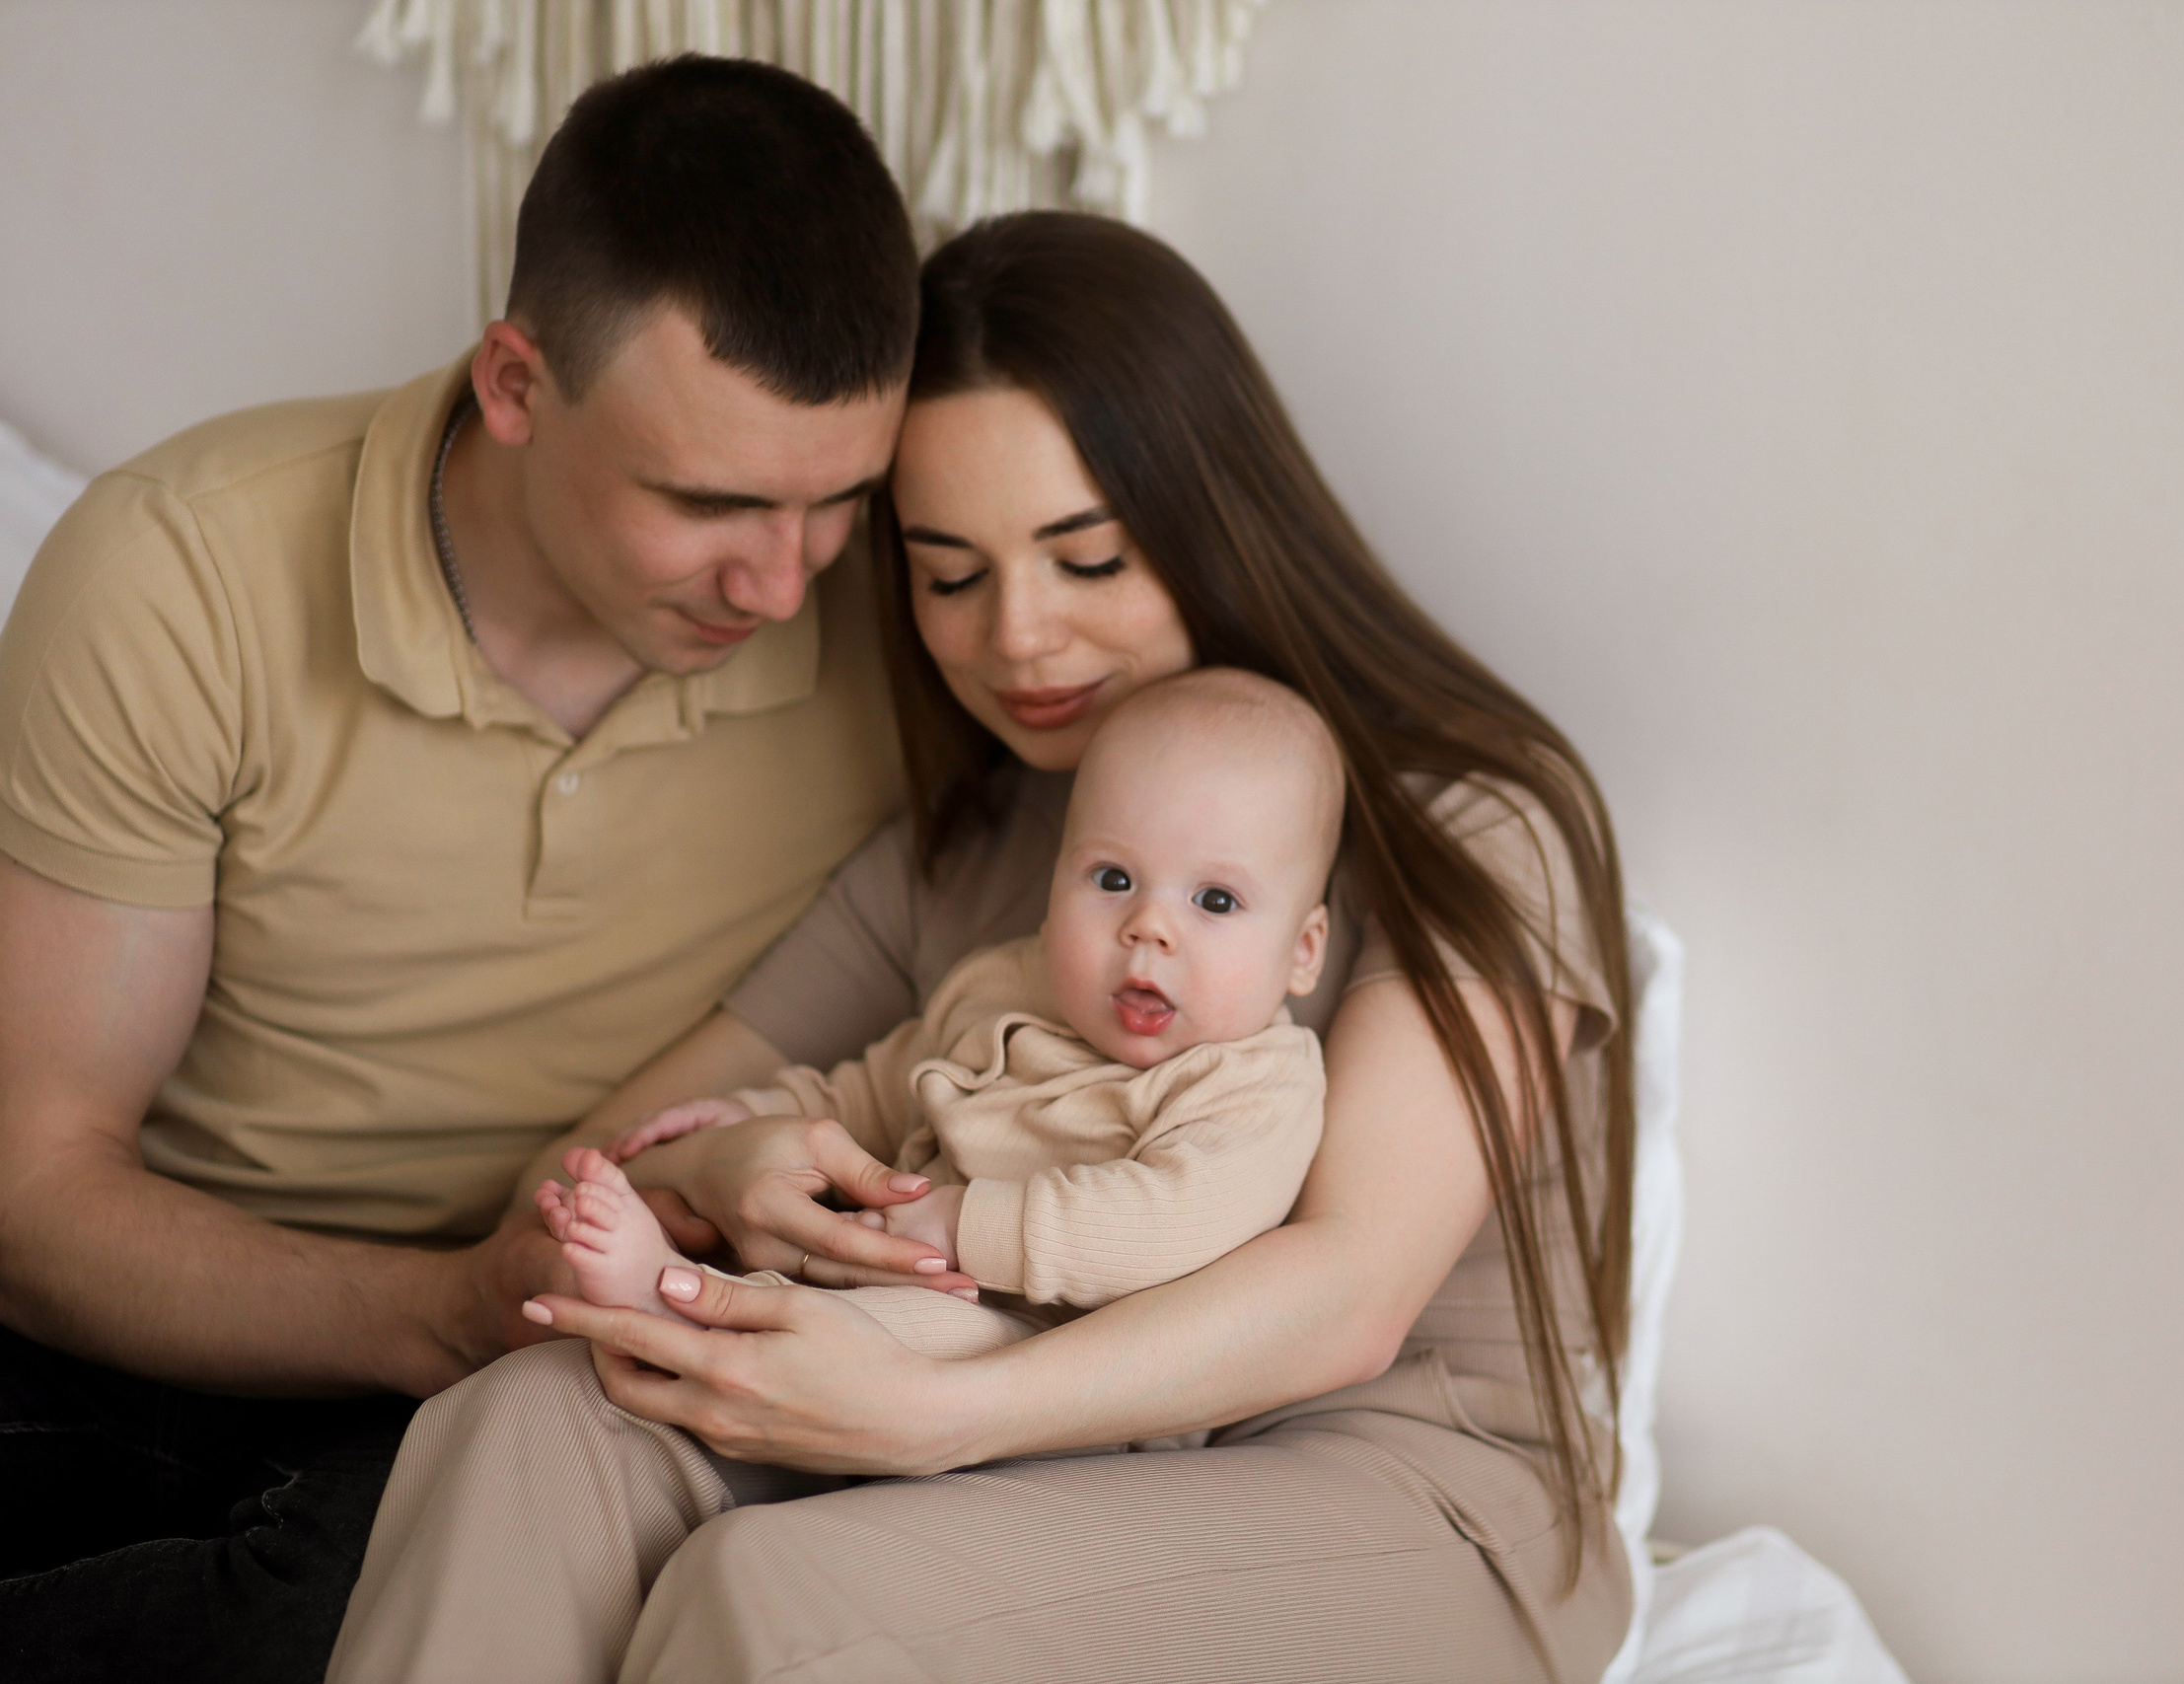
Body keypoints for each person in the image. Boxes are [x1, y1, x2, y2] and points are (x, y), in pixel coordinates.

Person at [325, 211, 1640, 1684]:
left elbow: (1351, 1291)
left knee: (787, 1595)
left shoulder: (1471, 820)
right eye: (951, 575)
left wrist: (938, 1410)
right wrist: (720, 1170)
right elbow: (579, 1166)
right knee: (536, 1422)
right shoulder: (972, 848)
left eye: (1086, 559)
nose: (1019, 637)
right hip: (1049, 1449)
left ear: (1211, 516)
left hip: (1396, 1485)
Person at [0, 58, 941, 1684]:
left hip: (528, 1366)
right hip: (175, 1297)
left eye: (837, 502)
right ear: (515, 382)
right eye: (708, 500)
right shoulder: (179, 572)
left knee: (333, 1611)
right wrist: (438, 1299)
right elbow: (38, 1194)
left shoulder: (923, 620)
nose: (784, 582)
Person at [535, 667, 1340, 1359]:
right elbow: (880, 1092)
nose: (1149, 926)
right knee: (841, 1285)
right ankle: (683, 1295)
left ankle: (675, 1307)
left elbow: (1168, 1218)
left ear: (1303, 950)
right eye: (1113, 879)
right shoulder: (1006, 985)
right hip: (925, 1287)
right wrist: (751, 1115)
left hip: (1059, 1357)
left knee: (893, 1326)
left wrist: (960, 1221)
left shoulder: (1257, 1082)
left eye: (1216, 899)